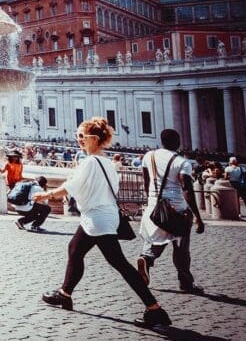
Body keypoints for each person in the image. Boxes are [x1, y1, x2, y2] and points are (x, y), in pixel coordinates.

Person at [35, 117, 171, 328]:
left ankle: (154, 309)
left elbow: (71, 186)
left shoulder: (89, 162)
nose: (78, 140)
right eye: (77, 136)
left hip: (96, 219)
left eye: (82, 136)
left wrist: (46, 195)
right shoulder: (107, 162)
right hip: (105, 216)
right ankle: (65, 293)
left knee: (119, 264)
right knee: (76, 250)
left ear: (95, 139)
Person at [137, 129, 206, 293]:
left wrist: (152, 200)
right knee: (181, 246)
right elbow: (187, 190)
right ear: (177, 142)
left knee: (157, 237)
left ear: (161, 141)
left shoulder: (149, 156)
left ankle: (146, 259)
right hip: (177, 209)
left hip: (154, 206)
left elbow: (146, 182)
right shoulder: (182, 162)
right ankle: (186, 282)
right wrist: (197, 216)